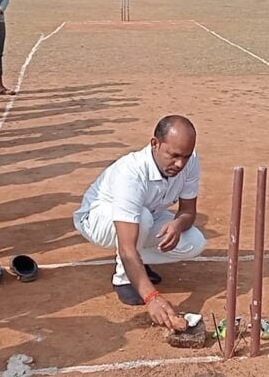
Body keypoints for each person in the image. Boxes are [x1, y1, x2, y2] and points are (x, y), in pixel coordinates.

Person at [73, 116, 206, 322]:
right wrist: (152, 297)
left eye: (186, 156)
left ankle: (138, 264)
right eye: (174, 155)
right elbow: (127, 247)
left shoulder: (191, 161)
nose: (180, 163)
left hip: (146, 215)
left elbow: (188, 211)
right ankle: (123, 279)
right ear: (155, 144)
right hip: (97, 220)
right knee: (141, 219)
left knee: (195, 242)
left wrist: (178, 224)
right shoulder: (131, 173)